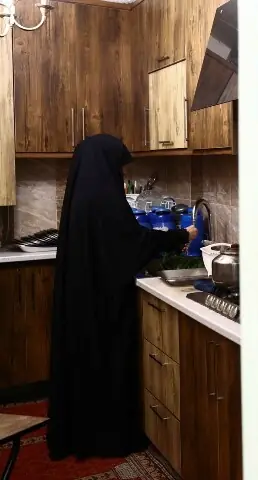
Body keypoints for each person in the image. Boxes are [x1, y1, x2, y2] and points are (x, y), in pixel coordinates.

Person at [47, 134, 197, 460]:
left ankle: (80, 433)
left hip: (81, 297)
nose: (122, 175)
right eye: (120, 168)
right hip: (103, 302)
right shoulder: (103, 197)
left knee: (84, 364)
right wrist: (181, 236)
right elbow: (131, 242)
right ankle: (108, 437)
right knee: (108, 363)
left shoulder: (82, 193)